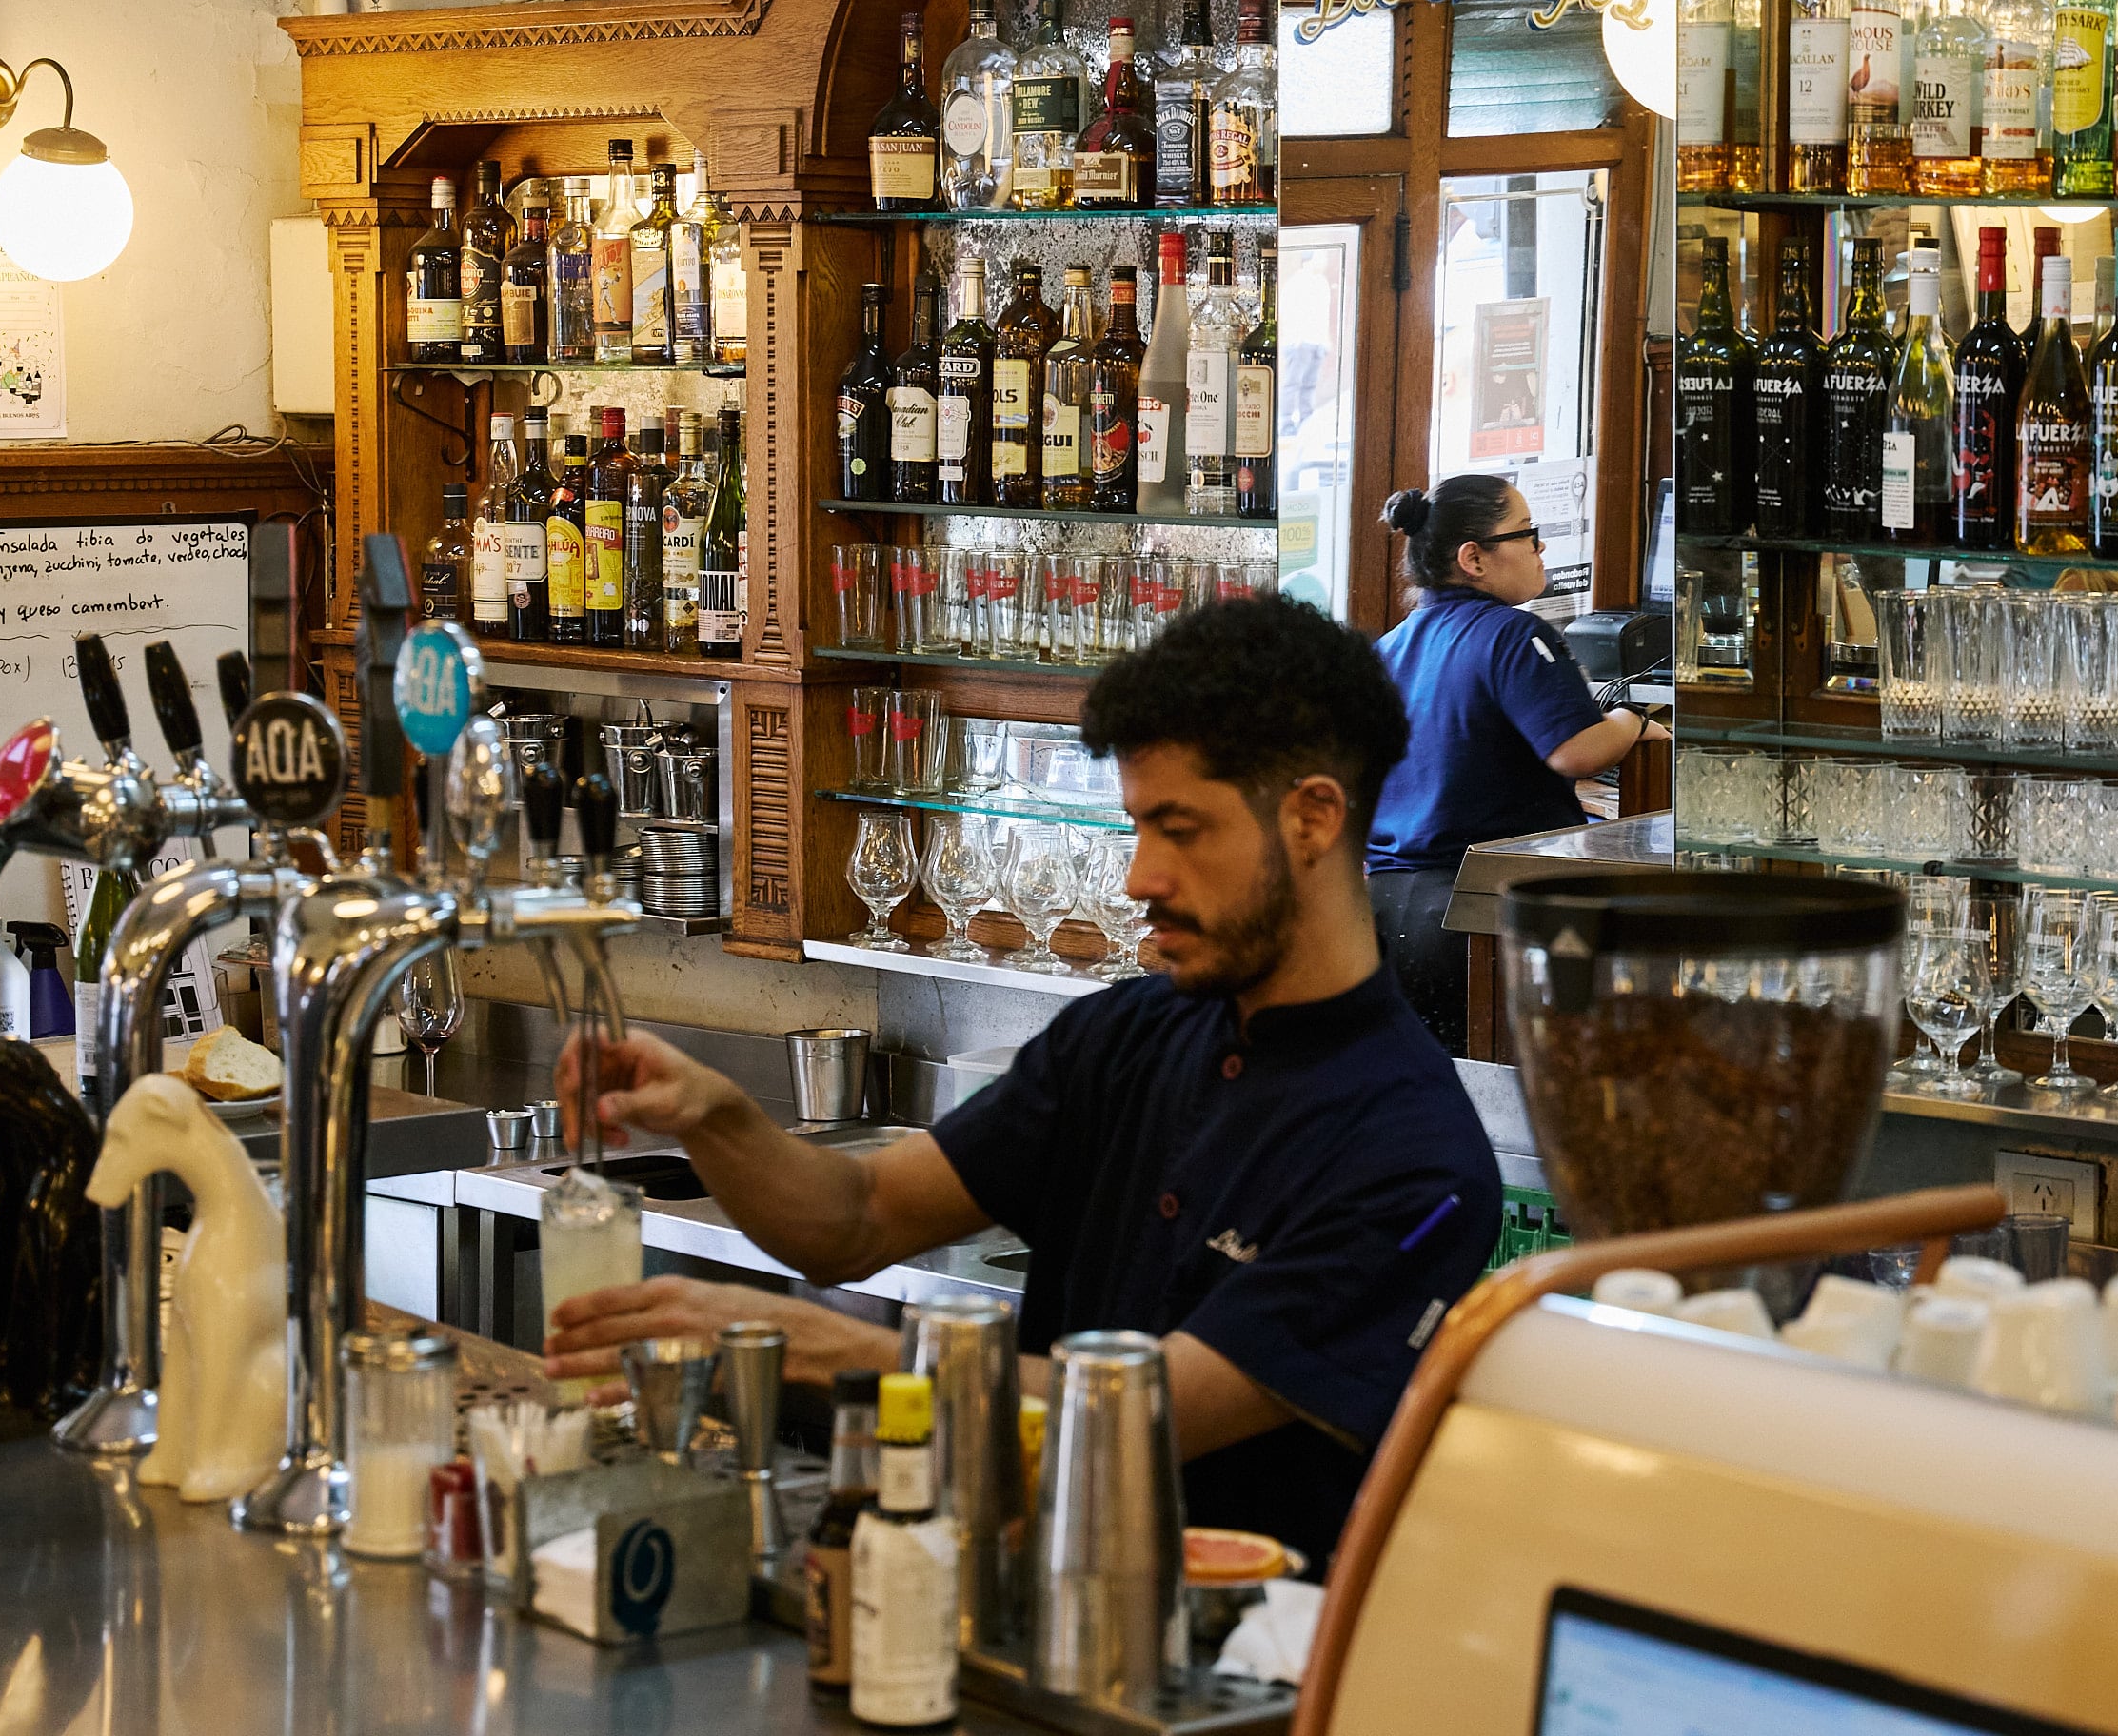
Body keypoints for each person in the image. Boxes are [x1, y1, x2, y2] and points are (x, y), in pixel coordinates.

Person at [543, 596, 1500, 1569]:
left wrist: (837, 1351)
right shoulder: (1125, 1035)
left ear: (1312, 816)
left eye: (1179, 828)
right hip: (1025, 1612)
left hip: (1235, 1679)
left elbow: (1147, 1411)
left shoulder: (1414, 1157)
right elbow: (859, 1217)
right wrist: (717, 1113)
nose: (1139, 875)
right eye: (1136, 826)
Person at [1365, 475, 1668, 1052]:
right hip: (1479, 915)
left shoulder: (1392, 645)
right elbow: (1575, 751)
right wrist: (1629, 722)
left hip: (1382, 910)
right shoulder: (1513, 634)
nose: (1540, 547)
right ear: (1473, 558)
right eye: (1528, 534)